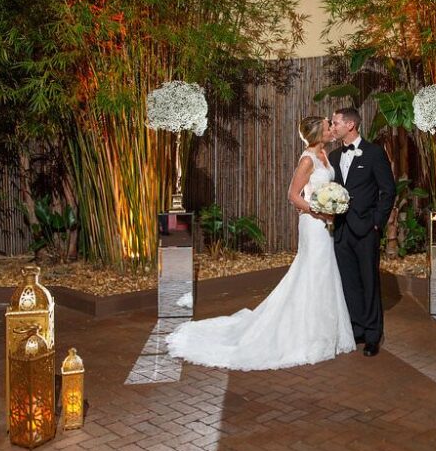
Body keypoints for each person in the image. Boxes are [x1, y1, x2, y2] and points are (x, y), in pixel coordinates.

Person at [166, 116, 355, 370]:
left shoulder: (324, 155)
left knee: (323, 272)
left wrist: (334, 203)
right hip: (313, 224)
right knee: (313, 272)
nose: (331, 129)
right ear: (316, 134)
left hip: (325, 224)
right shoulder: (308, 159)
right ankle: (306, 334)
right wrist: (318, 211)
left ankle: (325, 330)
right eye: (327, 126)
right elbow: (293, 195)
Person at [328, 107, 396, 357]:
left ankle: (372, 334)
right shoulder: (334, 156)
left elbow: (388, 190)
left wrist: (377, 221)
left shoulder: (374, 153)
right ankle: (356, 328)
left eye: (335, 123)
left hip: (366, 228)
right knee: (349, 283)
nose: (332, 127)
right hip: (342, 230)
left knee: (369, 281)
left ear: (350, 125)